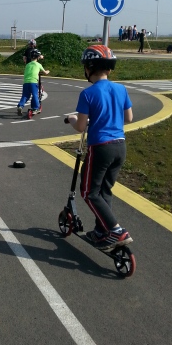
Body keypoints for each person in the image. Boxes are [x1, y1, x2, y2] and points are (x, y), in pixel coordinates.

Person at [64, 45, 134, 251]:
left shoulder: (88, 93)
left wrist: (72, 118)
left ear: (88, 68)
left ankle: (116, 231)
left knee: (89, 192)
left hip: (101, 148)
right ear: (109, 69)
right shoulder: (121, 89)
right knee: (104, 190)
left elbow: (80, 126)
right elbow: (129, 118)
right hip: (120, 146)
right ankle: (102, 231)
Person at [16, 49, 49, 116]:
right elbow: (45, 72)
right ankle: (35, 108)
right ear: (38, 57)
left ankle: (20, 106)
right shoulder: (38, 64)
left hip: (26, 82)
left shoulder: (27, 65)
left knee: (25, 96)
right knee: (35, 95)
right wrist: (48, 71)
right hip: (33, 82)